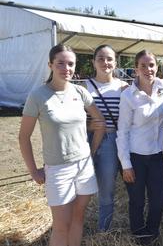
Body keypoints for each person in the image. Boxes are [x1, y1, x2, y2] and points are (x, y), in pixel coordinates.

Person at [18, 44, 105, 246]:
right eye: (60, 63)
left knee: (78, 219)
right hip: (58, 169)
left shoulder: (80, 92)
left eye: (70, 64)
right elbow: (23, 137)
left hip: (84, 166)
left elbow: (99, 121)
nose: (66, 68)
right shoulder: (38, 96)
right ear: (50, 65)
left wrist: (90, 151)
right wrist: (33, 171)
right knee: (61, 226)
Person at [116, 49, 163, 245]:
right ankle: (138, 235)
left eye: (152, 65)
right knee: (137, 200)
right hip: (135, 157)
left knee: (157, 201)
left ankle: (151, 232)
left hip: (156, 157)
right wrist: (126, 164)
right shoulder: (129, 96)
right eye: (143, 66)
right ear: (136, 69)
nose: (148, 69)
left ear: (158, 67)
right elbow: (123, 132)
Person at [85, 44, 128, 231]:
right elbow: (73, 118)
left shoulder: (124, 87)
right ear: (93, 62)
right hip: (91, 139)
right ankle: (95, 229)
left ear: (115, 62)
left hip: (116, 140)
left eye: (109, 58)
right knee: (94, 189)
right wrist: (88, 125)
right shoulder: (84, 87)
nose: (105, 62)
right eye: (100, 58)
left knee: (109, 189)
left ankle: (105, 230)